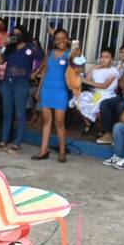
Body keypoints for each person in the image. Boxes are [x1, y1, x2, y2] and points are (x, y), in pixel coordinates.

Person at [34, 29, 78, 162]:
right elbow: (45, 72)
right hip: (47, 89)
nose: (61, 41)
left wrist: (71, 45)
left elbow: (79, 66)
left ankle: (62, 151)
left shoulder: (70, 54)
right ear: (54, 41)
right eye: (58, 38)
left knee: (59, 122)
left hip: (61, 91)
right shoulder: (50, 53)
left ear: (67, 39)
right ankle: (43, 151)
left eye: (64, 38)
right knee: (46, 121)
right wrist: (39, 90)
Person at [0, 24, 42, 154]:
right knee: (7, 112)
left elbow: (44, 60)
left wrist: (36, 72)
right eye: (14, 33)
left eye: (18, 33)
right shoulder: (10, 48)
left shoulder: (31, 47)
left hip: (22, 82)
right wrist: (2, 47)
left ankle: (17, 143)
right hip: (7, 82)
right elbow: (0, 61)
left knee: (20, 113)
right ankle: (4, 141)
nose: (15, 35)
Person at [73, 47, 120, 134]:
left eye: (107, 57)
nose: (103, 59)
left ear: (112, 59)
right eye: (102, 57)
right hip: (95, 93)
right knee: (77, 101)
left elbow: (105, 86)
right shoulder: (96, 69)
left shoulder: (114, 71)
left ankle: (102, 129)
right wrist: (93, 68)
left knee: (98, 109)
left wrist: (89, 82)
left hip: (107, 94)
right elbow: (87, 79)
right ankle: (88, 124)